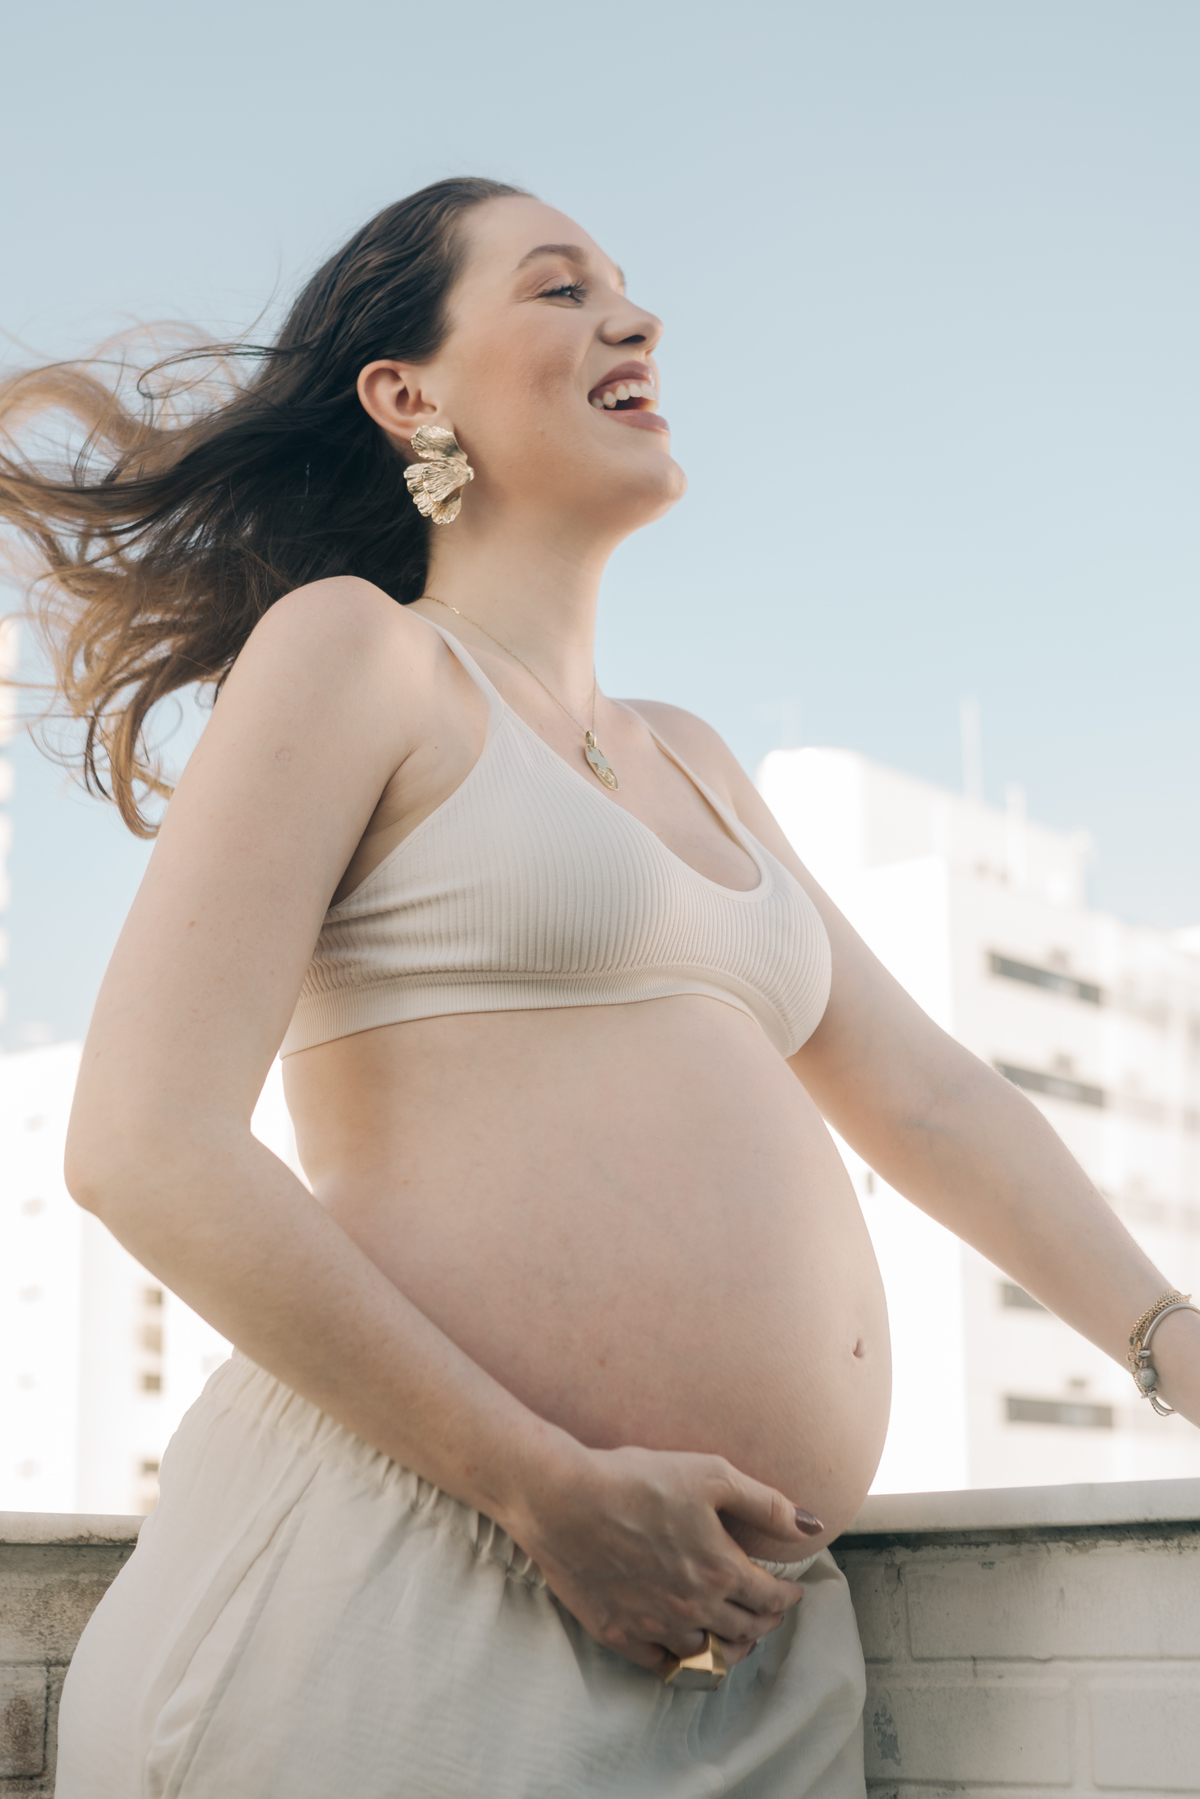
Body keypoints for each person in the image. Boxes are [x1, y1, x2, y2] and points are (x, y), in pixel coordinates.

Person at [2, 176, 1196, 1799]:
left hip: (741, 1635)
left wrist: (1165, 1339)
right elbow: (141, 1143)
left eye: (627, 288)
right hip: (419, 1568)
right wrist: (542, 1487)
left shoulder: (692, 755)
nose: (633, 317)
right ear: (406, 397)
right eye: (560, 289)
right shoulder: (357, 653)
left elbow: (928, 1098)